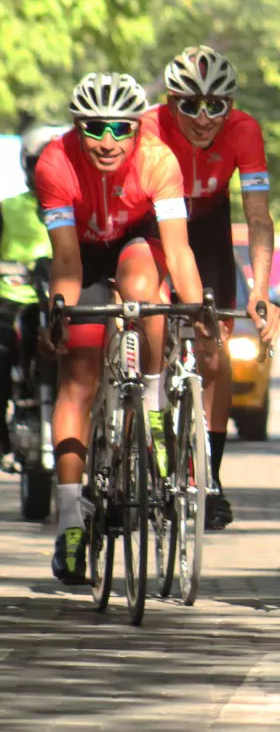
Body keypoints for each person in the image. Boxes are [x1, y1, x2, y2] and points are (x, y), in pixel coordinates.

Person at [39, 73, 206, 584]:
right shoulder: (55, 162)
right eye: (95, 128)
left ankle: (151, 398)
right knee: (79, 378)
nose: (108, 141)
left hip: (136, 240)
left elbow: (176, 250)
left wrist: (198, 311)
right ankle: (70, 521)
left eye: (120, 128)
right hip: (83, 254)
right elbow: (66, 259)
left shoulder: (159, 160)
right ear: (76, 127)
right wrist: (60, 309)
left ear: (138, 128)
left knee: (144, 292)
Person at [143, 45, 280, 530]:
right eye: (190, 105)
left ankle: (210, 475)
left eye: (216, 106)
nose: (204, 119)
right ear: (170, 101)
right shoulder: (148, 128)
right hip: (153, 228)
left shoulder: (244, 131)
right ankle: (148, 424)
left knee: (215, 355)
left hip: (208, 230)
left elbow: (258, 216)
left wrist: (260, 290)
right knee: (152, 317)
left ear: (231, 104)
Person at [0, 126, 61, 471]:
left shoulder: (75, 205)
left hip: (61, 302)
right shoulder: (8, 208)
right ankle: (3, 439)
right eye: (40, 163)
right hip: (15, 300)